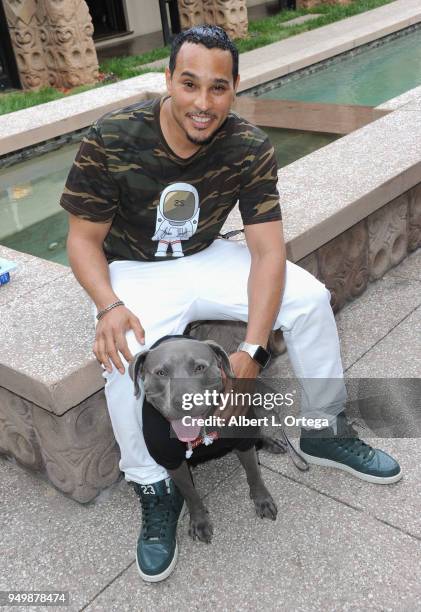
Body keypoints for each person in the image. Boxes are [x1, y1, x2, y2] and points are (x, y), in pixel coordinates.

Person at [60, 25, 402, 583]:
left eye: (218, 88)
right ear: (167, 79)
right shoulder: (113, 137)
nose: (203, 102)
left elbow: (268, 253)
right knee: (123, 353)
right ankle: (153, 483)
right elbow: (82, 239)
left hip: (206, 253)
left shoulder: (247, 145)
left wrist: (252, 351)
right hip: (134, 267)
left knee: (310, 298)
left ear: (234, 88)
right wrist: (107, 305)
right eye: (189, 83)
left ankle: (325, 430)